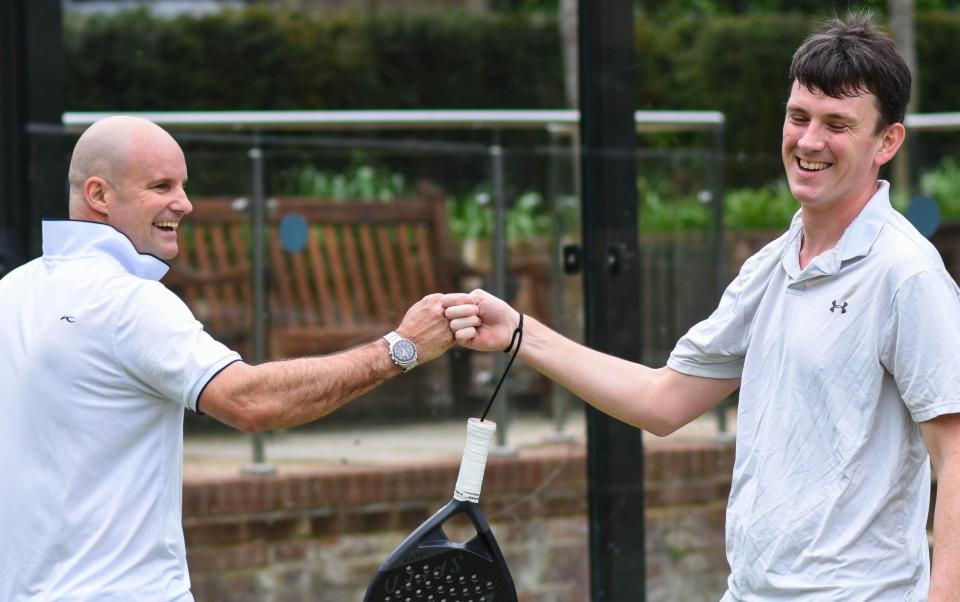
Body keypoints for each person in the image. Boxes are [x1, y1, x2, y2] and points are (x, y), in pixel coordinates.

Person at [444, 12, 960, 601]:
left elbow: (957, 456)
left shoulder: (907, 275)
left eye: (837, 124)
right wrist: (518, 332)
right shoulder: (770, 267)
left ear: (887, 142)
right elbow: (664, 402)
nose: (810, 141)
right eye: (799, 117)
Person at [0, 115, 454, 601]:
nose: (184, 202)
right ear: (99, 195)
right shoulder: (128, 301)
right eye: (161, 185)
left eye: (183, 184)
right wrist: (400, 349)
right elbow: (249, 401)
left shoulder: (13, 290)